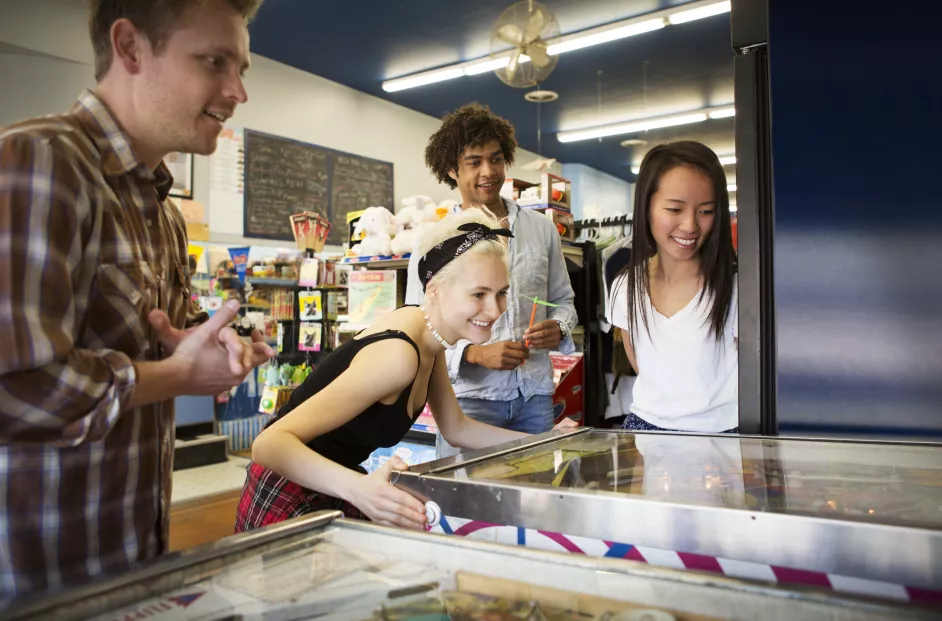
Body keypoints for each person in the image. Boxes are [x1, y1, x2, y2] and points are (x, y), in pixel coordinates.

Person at [0, 0, 271, 600]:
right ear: (129, 48)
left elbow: (156, 337)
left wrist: (217, 342)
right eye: (213, 61)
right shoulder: (41, 160)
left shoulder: (163, 214)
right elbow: (13, 384)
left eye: (241, 68)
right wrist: (175, 374)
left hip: (127, 568)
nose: (236, 92)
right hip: (33, 584)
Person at [237, 208, 577, 532]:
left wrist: (544, 443)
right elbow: (268, 445)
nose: (494, 309)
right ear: (434, 290)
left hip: (329, 484)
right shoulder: (399, 356)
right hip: (290, 488)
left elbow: (458, 428)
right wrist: (360, 489)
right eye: (479, 293)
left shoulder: (430, 336)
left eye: (501, 293)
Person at [405, 103, 578, 458]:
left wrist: (558, 328)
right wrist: (474, 354)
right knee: (466, 503)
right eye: (474, 162)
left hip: (535, 397)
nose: (489, 171)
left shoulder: (541, 230)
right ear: (452, 169)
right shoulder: (434, 239)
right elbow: (415, 323)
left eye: (496, 159)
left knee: (536, 497)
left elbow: (564, 300)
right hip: (469, 402)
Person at [610, 141, 739, 433]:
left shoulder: (735, 287)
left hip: (723, 435)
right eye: (674, 209)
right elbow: (643, 366)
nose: (690, 225)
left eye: (705, 211)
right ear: (646, 207)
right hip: (645, 430)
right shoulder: (624, 287)